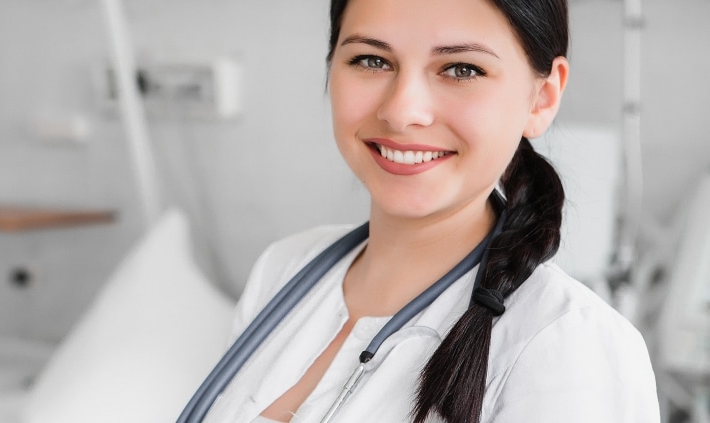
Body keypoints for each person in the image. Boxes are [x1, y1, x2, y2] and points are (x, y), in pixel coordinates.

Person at [200, 0, 659, 422]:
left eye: (461, 68)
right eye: (371, 60)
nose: (402, 111)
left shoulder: (569, 346)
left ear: (542, 97)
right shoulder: (284, 270)